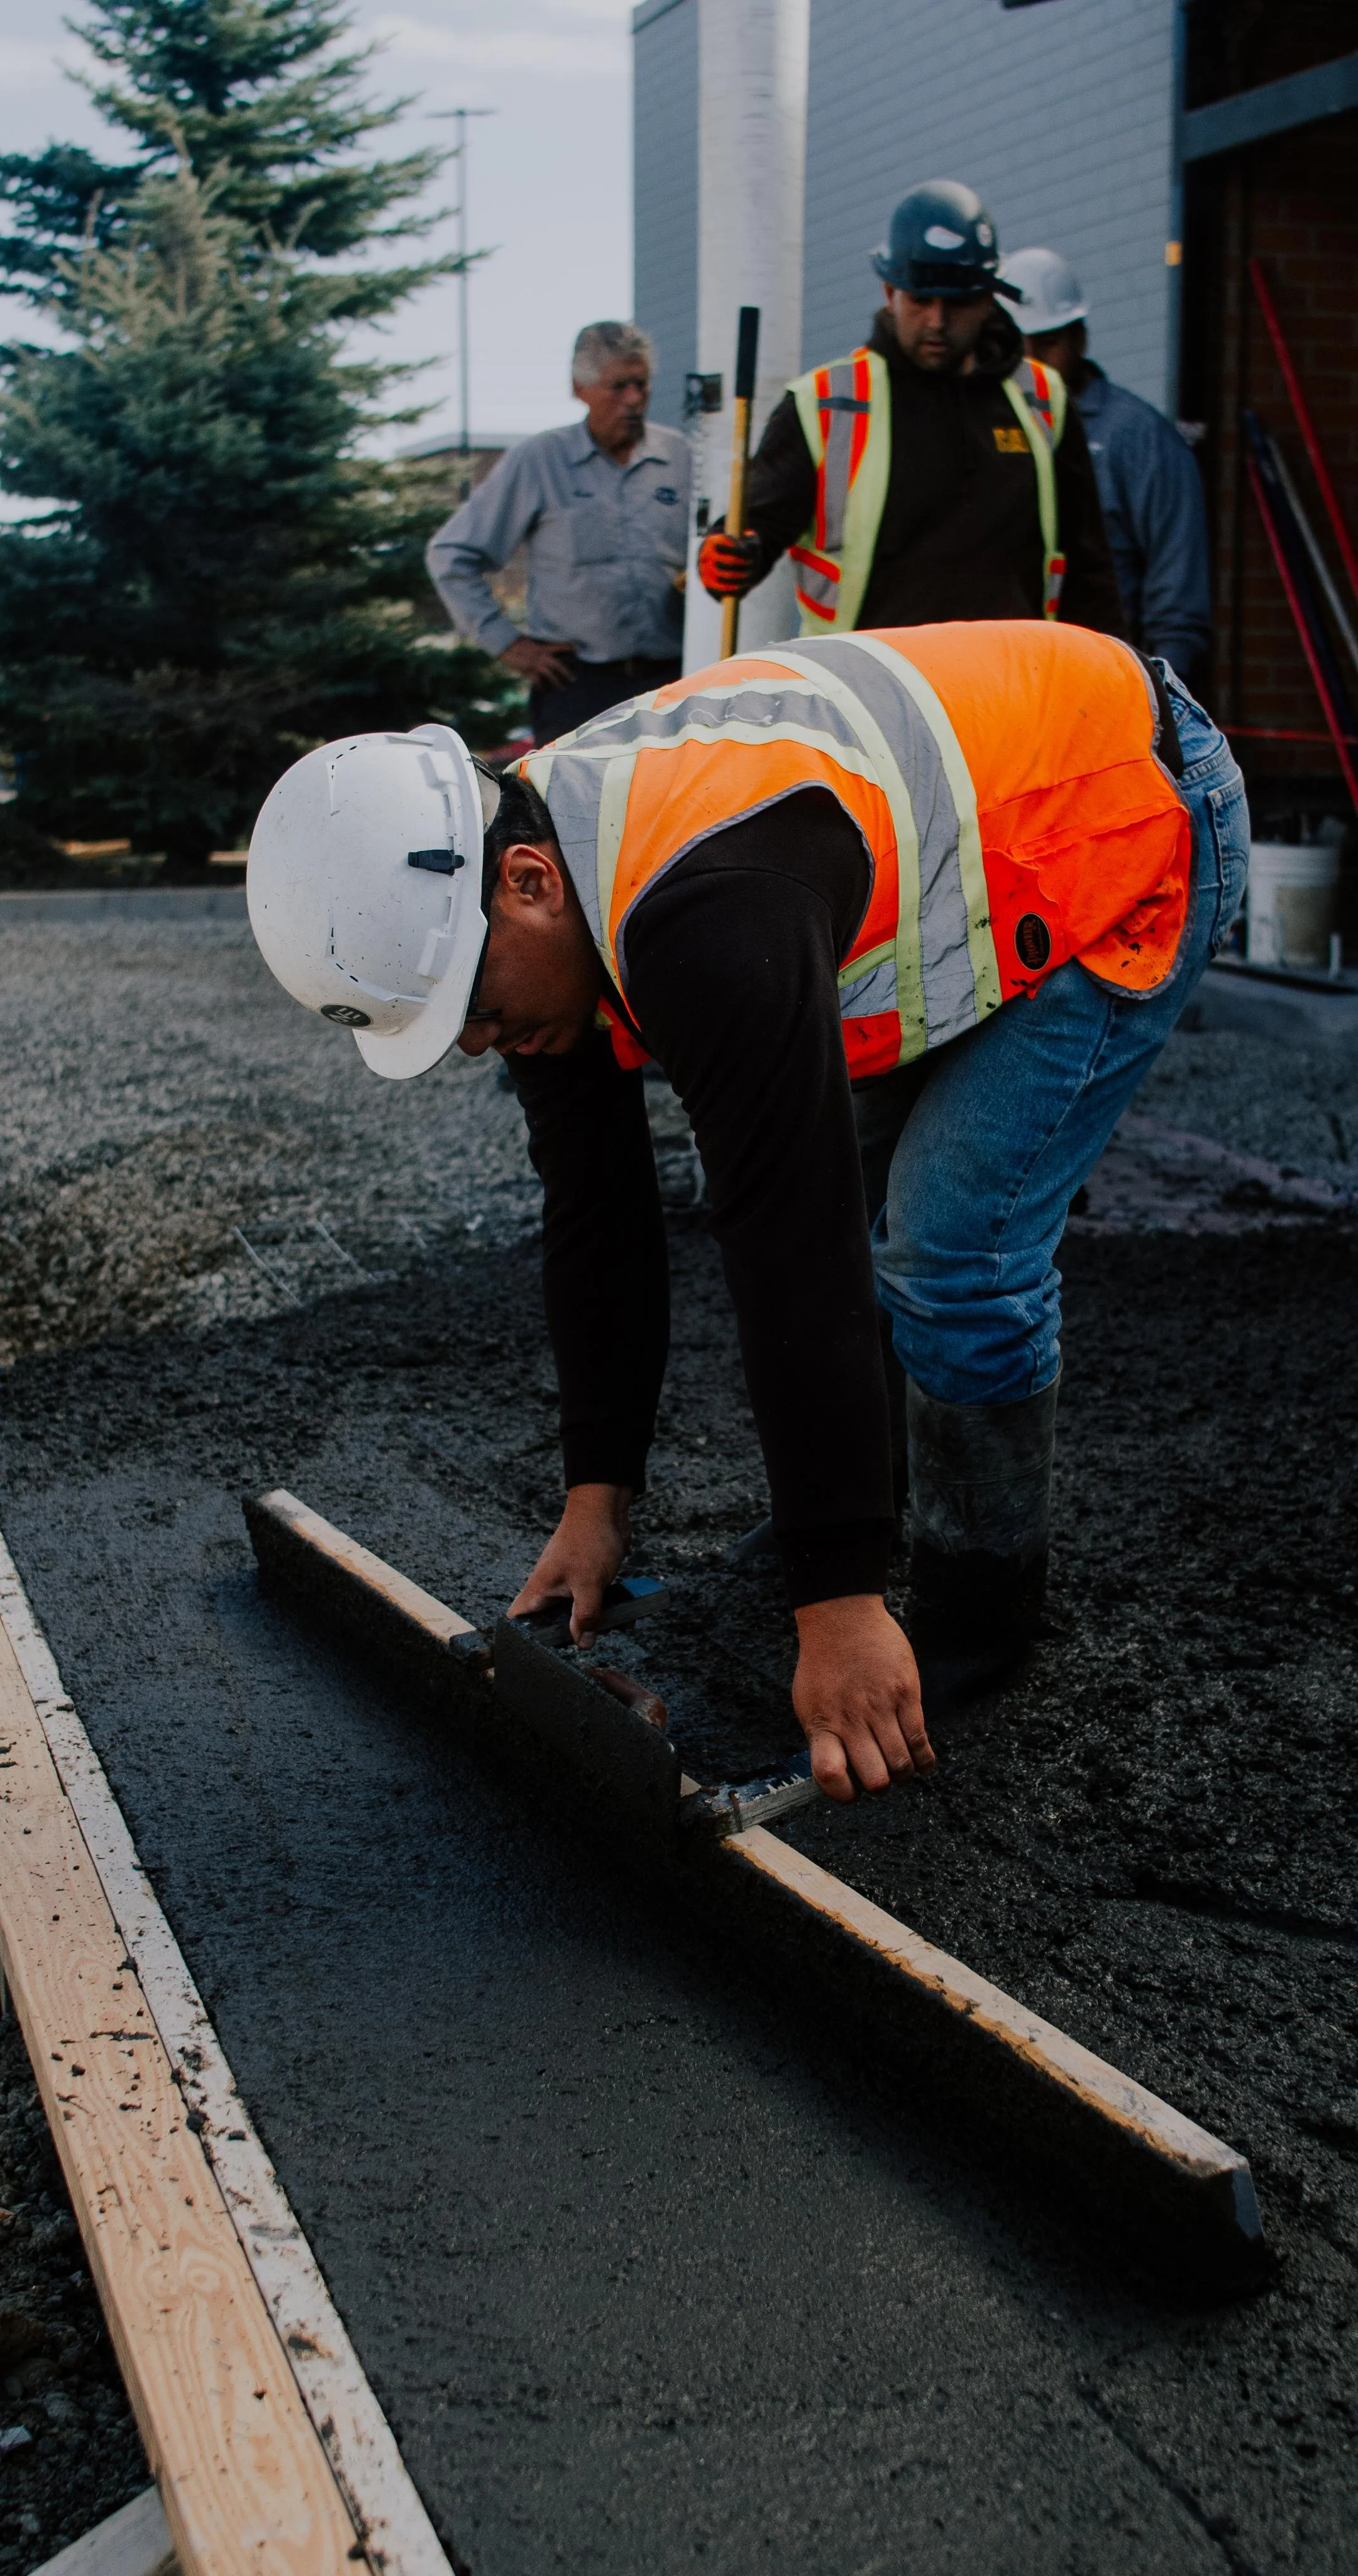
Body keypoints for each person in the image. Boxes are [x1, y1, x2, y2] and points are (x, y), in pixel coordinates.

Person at [246, 622, 1247, 1808]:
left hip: (1124, 815)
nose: (473, 1041)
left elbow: (792, 1243)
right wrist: (595, 1497)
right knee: (872, 1197)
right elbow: (598, 1214)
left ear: (526, 886)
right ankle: (862, 1545)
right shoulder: (530, 895)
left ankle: (980, 1615)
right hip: (963, 840)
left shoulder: (704, 914)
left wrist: (832, 1612)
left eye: (471, 1006)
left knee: (950, 1243)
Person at [697, 179, 1125, 640]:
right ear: (890, 293)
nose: (937, 322)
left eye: (957, 303)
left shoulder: (1042, 400)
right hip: (869, 692)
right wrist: (731, 555)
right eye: (921, 301)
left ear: (987, 298)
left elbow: (1089, 570)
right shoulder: (828, 404)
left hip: (1007, 689)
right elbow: (756, 525)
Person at [425, 321, 690, 745]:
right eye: (618, 387)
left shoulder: (682, 458)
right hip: (579, 691)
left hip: (675, 684)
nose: (634, 400)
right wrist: (507, 644)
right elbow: (452, 556)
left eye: (642, 384)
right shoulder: (539, 462)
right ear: (579, 388)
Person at [1002, 247, 1213, 679]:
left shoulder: (1138, 439)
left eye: (1047, 343)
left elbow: (1177, 605)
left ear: (1079, 338)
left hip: (1102, 687)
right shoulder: (987, 432)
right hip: (1008, 684)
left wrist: (1164, 711)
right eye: (1016, 347)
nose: (1032, 364)